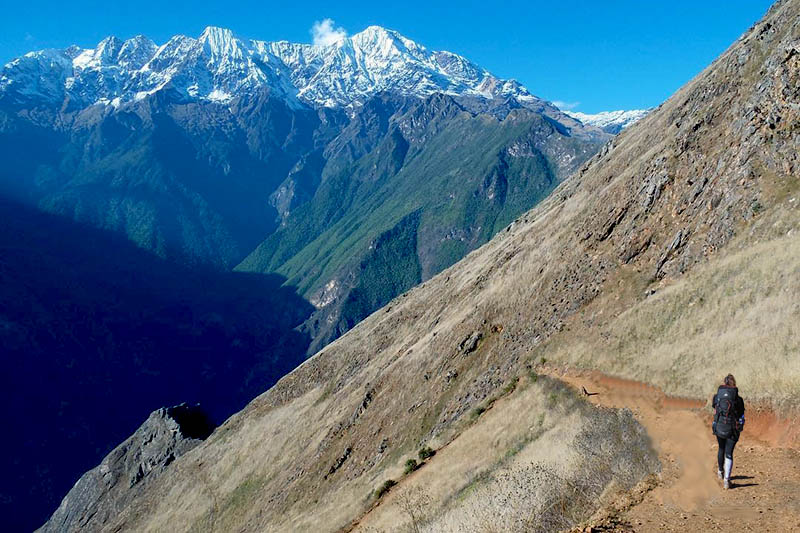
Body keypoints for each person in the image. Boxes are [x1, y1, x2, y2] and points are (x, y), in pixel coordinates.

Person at [712, 374, 745, 489]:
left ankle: (720, 471)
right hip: (733, 429)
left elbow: (714, 407)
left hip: (719, 426)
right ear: (734, 384)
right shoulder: (739, 399)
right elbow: (741, 413)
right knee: (729, 453)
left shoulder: (717, 396)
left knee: (721, 448)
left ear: (724, 383)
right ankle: (727, 480)